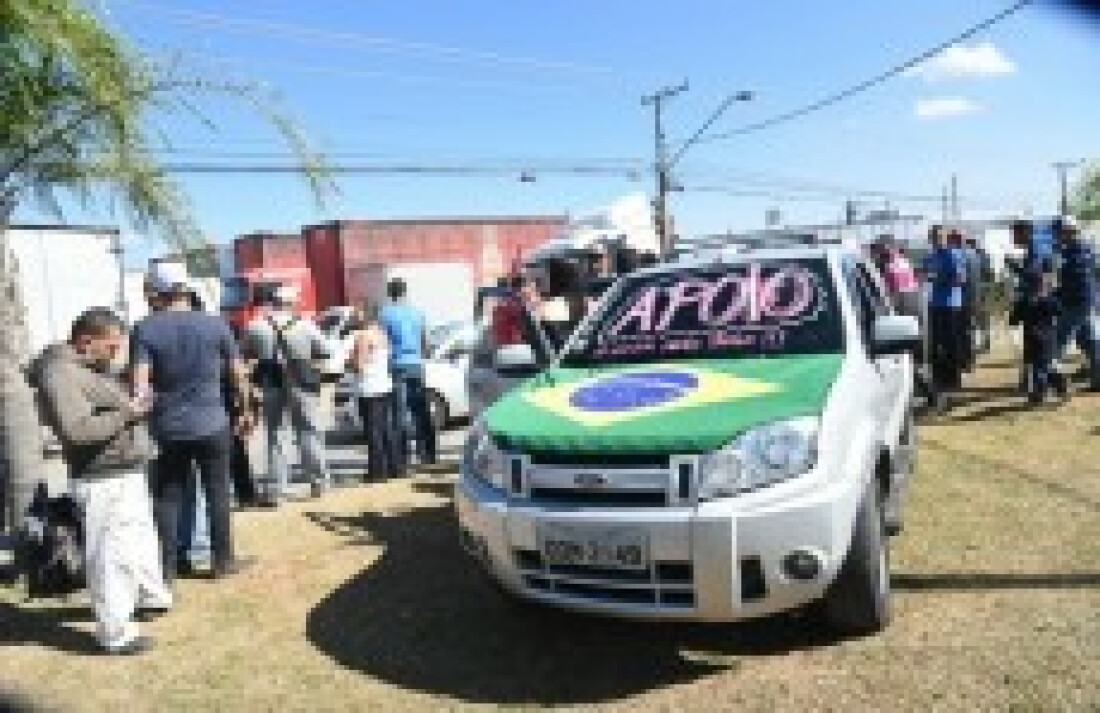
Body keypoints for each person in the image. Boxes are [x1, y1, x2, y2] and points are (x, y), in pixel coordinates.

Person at [36, 308, 171, 654]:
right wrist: (129, 411)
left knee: (134, 542)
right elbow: (77, 431)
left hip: (122, 471)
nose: (115, 355)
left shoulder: (85, 369)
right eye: (110, 347)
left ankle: (147, 597)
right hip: (101, 477)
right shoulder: (59, 374)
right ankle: (115, 632)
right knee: (110, 555)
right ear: (86, 341)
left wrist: (131, 403)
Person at [131, 261, 255, 583]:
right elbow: (238, 373)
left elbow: (140, 385)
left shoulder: (145, 329)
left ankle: (168, 569)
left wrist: (139, 418)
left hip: (168, 426)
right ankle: (222, 561)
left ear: (159, 293)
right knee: (217, 492)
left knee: (168, 497)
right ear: (187, 289)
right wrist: (244, 411)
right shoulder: (216, 325)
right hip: (213, 423)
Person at [242, 284, 331, 506]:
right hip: (301, 382)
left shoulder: (256, 326)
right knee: (309, 432)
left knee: (275, 435)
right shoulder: (305, 325)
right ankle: (319, 483)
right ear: (292, 304)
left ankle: (275, 491)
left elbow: (246, 353)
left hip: (271, 383)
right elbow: (325, 350)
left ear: (274, 302)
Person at [380, 278, 437, 469]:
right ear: (405, 292)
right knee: (421, 410)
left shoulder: (384, 314)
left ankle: (402, 459)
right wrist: (423, 355)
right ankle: (428, 455)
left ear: (390, 294)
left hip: (396, 365)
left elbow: (382, 344)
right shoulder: (418, 313)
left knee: (400, 413)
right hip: (416, 364)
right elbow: (427, 342)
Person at [349, 302, 404, 481]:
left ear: (366, 315)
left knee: (373, 431)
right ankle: (395, 467)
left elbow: (359, 365)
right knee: (386, 428)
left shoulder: (363, 336)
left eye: (357, 313)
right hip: (384, 384)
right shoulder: (382, 334)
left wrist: (350, 361)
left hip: (369, 387)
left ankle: (377, 472)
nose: (355, 317)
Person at [1054, 216, 1100, 391]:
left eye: (1060, 232)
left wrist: (1057, 295)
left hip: (1075, 302)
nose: (1058, 236)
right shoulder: (1087, 249)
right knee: (1091, 340)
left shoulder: (1074, 252)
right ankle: (1097, 378)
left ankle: (1055, 379)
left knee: (1059, 341)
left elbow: (1072, 280)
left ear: (1068, 232)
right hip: (1089, 300)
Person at [1010, 270, 1068, 404]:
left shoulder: (1024, 301)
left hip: (1031, 338)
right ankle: (1059, 386)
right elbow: (1060, 313)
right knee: (1047, 365)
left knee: (1037, 367)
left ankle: (1039, 393)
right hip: (1048, 337)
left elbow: (1013, 320)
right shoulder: (1050, 300)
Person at [923, 226, 967, 395]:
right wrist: (927, 276)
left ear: (945, 238)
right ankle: (940, 378)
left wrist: (940, 279)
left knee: (951, 344)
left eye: (939, 237)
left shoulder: (953, 254)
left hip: (951, 304)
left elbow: (960, 279)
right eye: (933, 237)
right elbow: (926, 273)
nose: (935, 240)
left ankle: (954, 379)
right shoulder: (932, 256)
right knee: (936, 343)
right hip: (935, 303)